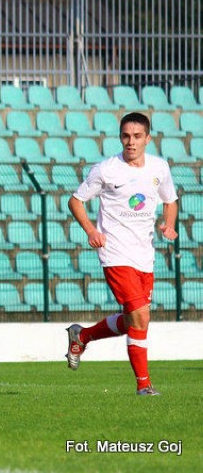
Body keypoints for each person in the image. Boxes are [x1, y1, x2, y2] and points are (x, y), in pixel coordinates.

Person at [65, 112, 178, 396]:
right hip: (115, 253)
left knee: (132, 320)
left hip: (145, 255)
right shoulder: (106, 169)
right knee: (140, 316)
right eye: (126, 136)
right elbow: (76, 201)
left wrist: (169, 224)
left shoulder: (159, 168)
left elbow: (170, 200)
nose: (131, 142)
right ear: (120, 138)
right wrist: (92, 231)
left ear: (147, 139)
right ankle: (144, 386)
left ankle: (83, 335)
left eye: (137, 136)